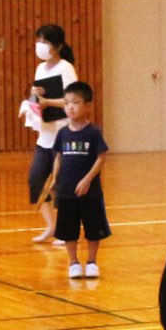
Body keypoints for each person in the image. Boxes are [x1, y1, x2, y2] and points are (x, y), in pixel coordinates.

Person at [23, 25, 78, 243]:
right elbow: (37, 98)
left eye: (45, 42)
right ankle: (51, 226)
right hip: (45, 135)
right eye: (39, 41)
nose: (40, 45)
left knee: (62, 184)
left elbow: (72, 100)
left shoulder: (66, 68)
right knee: (36, 179)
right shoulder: (40, 69)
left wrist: (48, 102)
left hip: (63, 134)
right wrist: (34, 97)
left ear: (57, 46)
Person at [53, 82, 110, 279]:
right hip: (67, 190)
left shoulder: (93, 133)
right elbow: (59, 157)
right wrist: (54, 179)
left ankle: (92, 261)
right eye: (66, 103)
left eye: (75, 102)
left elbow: (101, 157)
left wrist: (87, 180)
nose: (70, 107)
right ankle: (73, 263)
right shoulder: (62, 133)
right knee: (69, 229)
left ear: (87, 106)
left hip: (90, 191)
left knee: (93, 227)